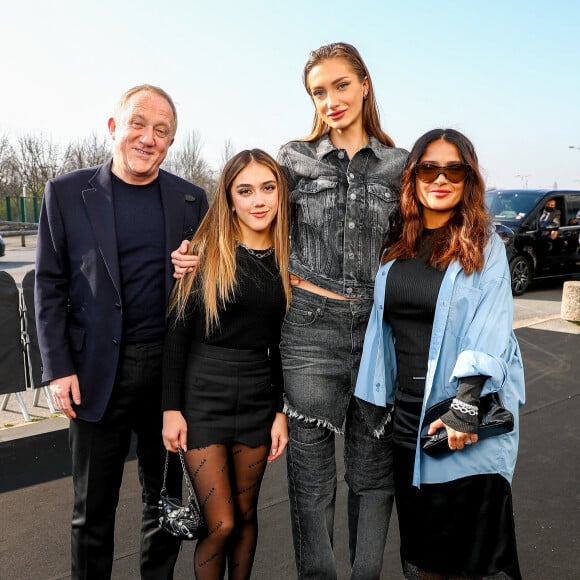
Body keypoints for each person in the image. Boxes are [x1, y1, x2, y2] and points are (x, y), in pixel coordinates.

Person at [172, 42, 407, 579]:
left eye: (341, 85)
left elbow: (414, 241)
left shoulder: (399, 165)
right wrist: (202, 251)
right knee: (312, 482)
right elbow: (252, 214)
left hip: (377, 333)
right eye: (318, 92)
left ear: (365, 84)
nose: (331, 100)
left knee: (372, 478)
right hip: (309, 332)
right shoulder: (294, 159)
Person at [35, 84, 209, 580]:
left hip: (168, 377)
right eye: (138, 123)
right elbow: (48, 284)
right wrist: (59, 367)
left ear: (171, 142)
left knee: (164, 506)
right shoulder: (65, 193)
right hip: (93, 374)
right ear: (113, 127)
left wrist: (197, 269)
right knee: (91, 512)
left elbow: (208, 288)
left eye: (161, 130)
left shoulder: (191, 199)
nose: (148, 137)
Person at [355, 128, 525, 579]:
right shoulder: (397, 244)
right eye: (430, 167)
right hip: (409, 426)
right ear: (413, 175)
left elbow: (492, 325)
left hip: (458, 422)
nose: (441, 178)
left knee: (473, 562)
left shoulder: (485, 244)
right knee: (420, 560)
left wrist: (466, 404)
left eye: (455, 169)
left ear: (469, 179)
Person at [161, 149, 291, 579]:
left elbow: (277, 343)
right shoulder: (202, 253)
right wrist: (171, 409)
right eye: (246, 190)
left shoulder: (287, 259)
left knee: (248, 515)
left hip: (257, 396)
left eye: (268, 188)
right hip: (203, 397)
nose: (259, 200)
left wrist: (279, 412)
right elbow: (176, 336)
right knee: (222, 522)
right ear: (230, 199)